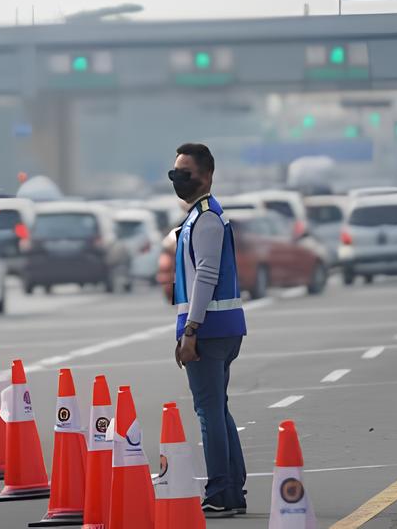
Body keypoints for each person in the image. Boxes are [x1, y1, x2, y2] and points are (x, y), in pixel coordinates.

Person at [169, 142, 247, 516]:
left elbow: (207, 276)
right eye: (175, 173)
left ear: (207, 175)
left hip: (210, 329)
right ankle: (231, 489)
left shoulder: (207, 219)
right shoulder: (197, 218)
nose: (178, 179)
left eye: (185, 173)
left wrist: (191, 331)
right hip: (216, 326)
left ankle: (220, 491)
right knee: (217, 408)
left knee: (208, 410)